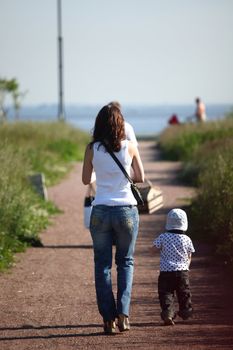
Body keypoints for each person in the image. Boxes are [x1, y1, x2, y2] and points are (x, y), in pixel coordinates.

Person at [82, 104, 144, 334]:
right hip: (126, 210)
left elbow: (85, 179)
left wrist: (102, 171)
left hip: (100, 211)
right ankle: (123, 315)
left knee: (102, 265)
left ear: (98, 124)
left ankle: (107, 319)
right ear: (121, 124)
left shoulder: (92, 148)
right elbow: (140, 176)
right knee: (125, 261)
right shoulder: (130, 147)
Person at [153, 208, 195, 326]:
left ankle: (168, 314)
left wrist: (159, 249)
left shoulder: (163, 237)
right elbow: (189, 255)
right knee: (184, 292)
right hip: (182, 272)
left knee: (166, 293)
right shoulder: (187, 239)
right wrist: (186, 266)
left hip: (166, 271)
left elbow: (153, 249)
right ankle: (186, 311)